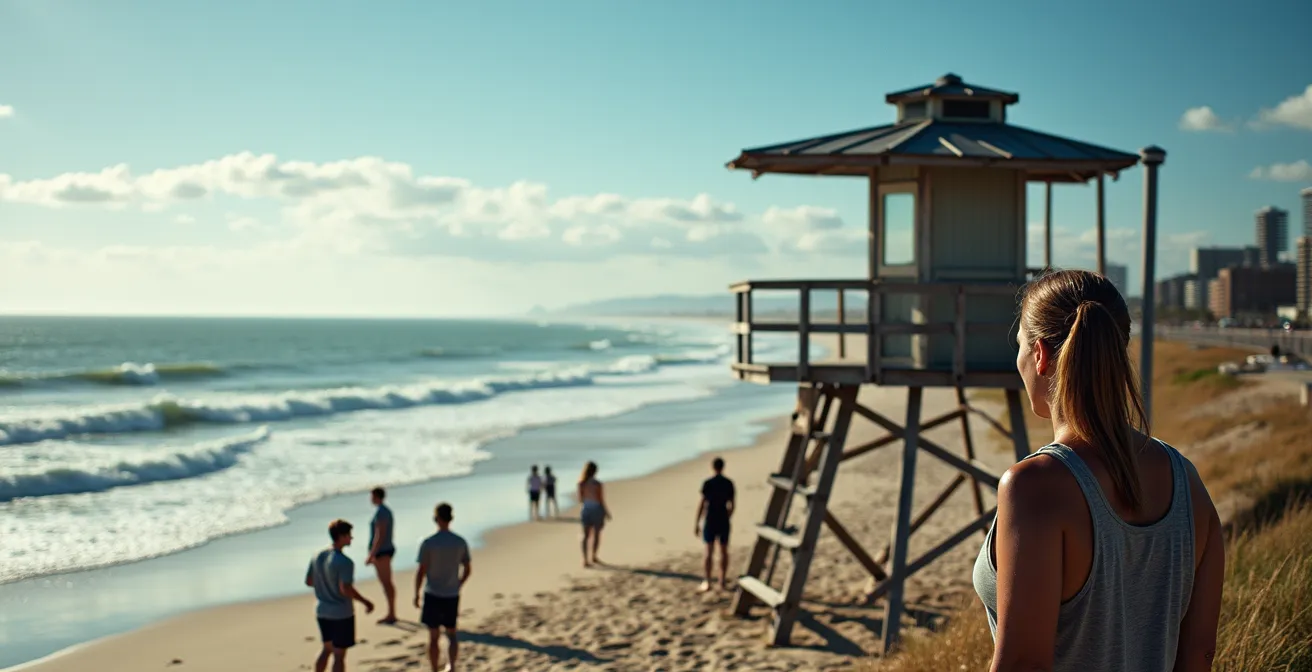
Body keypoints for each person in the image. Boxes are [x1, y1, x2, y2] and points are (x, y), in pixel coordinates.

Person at [972, 269, 1223, 671]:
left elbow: (1022, 663)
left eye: (1018, 345)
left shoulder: (1034, 487)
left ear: (1039, 355)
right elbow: (1199, 654)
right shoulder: (1187, 482)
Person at [305, 520, 374, 672]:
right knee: (339, 655)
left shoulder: (317, 555)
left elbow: (309, 581)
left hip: (322, 610)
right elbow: (345, 588)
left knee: (326, 649)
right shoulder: (344, 562)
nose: (351, 538)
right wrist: (365, 601)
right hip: (340, 613)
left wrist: (325, 585)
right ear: (341, 536)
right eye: (349, 535)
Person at [415, 503, 471, 672]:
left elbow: (421, 571)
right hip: (451, 593)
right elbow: (467, 569)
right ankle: (452, 666)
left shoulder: (429, 543)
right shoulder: (460, 541)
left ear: (436, 519)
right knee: (452, 633)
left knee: (433, 636)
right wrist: (459, 583)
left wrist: (416, 592)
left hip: (433, 592)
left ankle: (434, 668)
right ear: (451, 518)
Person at [695, 457, 735, 592]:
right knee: (723, 550)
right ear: (723, 467)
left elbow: (703, 503)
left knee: (709, 550)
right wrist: (728, 516)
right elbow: (732, 505)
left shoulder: (708, 483)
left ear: (713, 467)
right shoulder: (728, 483)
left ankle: (707, 581)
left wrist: (697, 521)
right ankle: (722, 580)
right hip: (723, 517)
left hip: (711, 518)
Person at [365, 486, 397, 624]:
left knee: (386, 582)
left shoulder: (382, 512)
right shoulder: (383, 511)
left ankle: (391, 613)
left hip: (382, 551)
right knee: (386, 582)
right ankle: (391, 612)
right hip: (384, 550)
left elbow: (380, 535)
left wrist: (372, 554)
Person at [578, 461, 610, 567]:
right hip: (596, 509)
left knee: (585, 535)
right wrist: (606, 512)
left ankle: (585, 560)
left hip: (586, 509)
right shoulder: (597, 484)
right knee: (596, 534)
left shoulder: (581, 483)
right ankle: (594, 556)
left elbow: (580, 499)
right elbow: (601, 499)